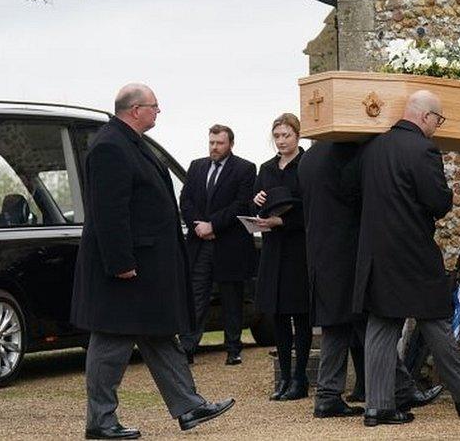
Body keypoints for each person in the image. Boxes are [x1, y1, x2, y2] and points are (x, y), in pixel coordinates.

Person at [70, 83, 234, 440]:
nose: (158, 112)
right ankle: (100, 421)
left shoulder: (130, 143)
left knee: (158, 335)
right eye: (154, 106)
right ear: (134, 110)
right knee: (111, 340)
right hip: (125, 269)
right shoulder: (111, 147)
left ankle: (189, 406)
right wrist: (120, 262)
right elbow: (108, 212)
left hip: (144, 267)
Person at [353, 90, 460, 426]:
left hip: (375, 251)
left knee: (381, 324)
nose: (438, 127)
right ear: (425, 116)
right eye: (438, 120)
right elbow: (437, 202)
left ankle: (377, 406)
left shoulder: (373, 148)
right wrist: (447, 191)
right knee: (436, 317)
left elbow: (355, 190)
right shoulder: (422, 149)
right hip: (412, 251)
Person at [298, 141, 442, 418]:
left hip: (320, 250)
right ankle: (400, 389)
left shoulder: (311, 156)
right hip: (349, 252)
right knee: (373, 325)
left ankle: (329, 395)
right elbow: (366, 198)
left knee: (337, 325)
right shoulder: (349, 153)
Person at [178, 124, 257, 366]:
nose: (214, 147)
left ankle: (233, 348)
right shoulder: (196, 166)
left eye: (219, 143)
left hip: (229, 243)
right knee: (196, 295)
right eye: (211, 142)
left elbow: (241, 205)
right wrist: (198, 227)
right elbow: (186, 200)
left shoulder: (245, 168)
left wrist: (213, 225)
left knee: (231, 297)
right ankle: (188, 347)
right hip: (200, 244)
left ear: (230, 144)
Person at [252, 113, 311, 401]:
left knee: (300, 315)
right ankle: (284, 377)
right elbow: (259, 204)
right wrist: (258, 202)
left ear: (297, 136)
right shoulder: (266, 168)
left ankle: (300, 378)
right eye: (277, 136)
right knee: (276, 314)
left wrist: (284, 222)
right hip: (274, 250)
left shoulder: (306, 165)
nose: (281, 141)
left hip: (298, 249)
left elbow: (311, 208)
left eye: (286, 135)